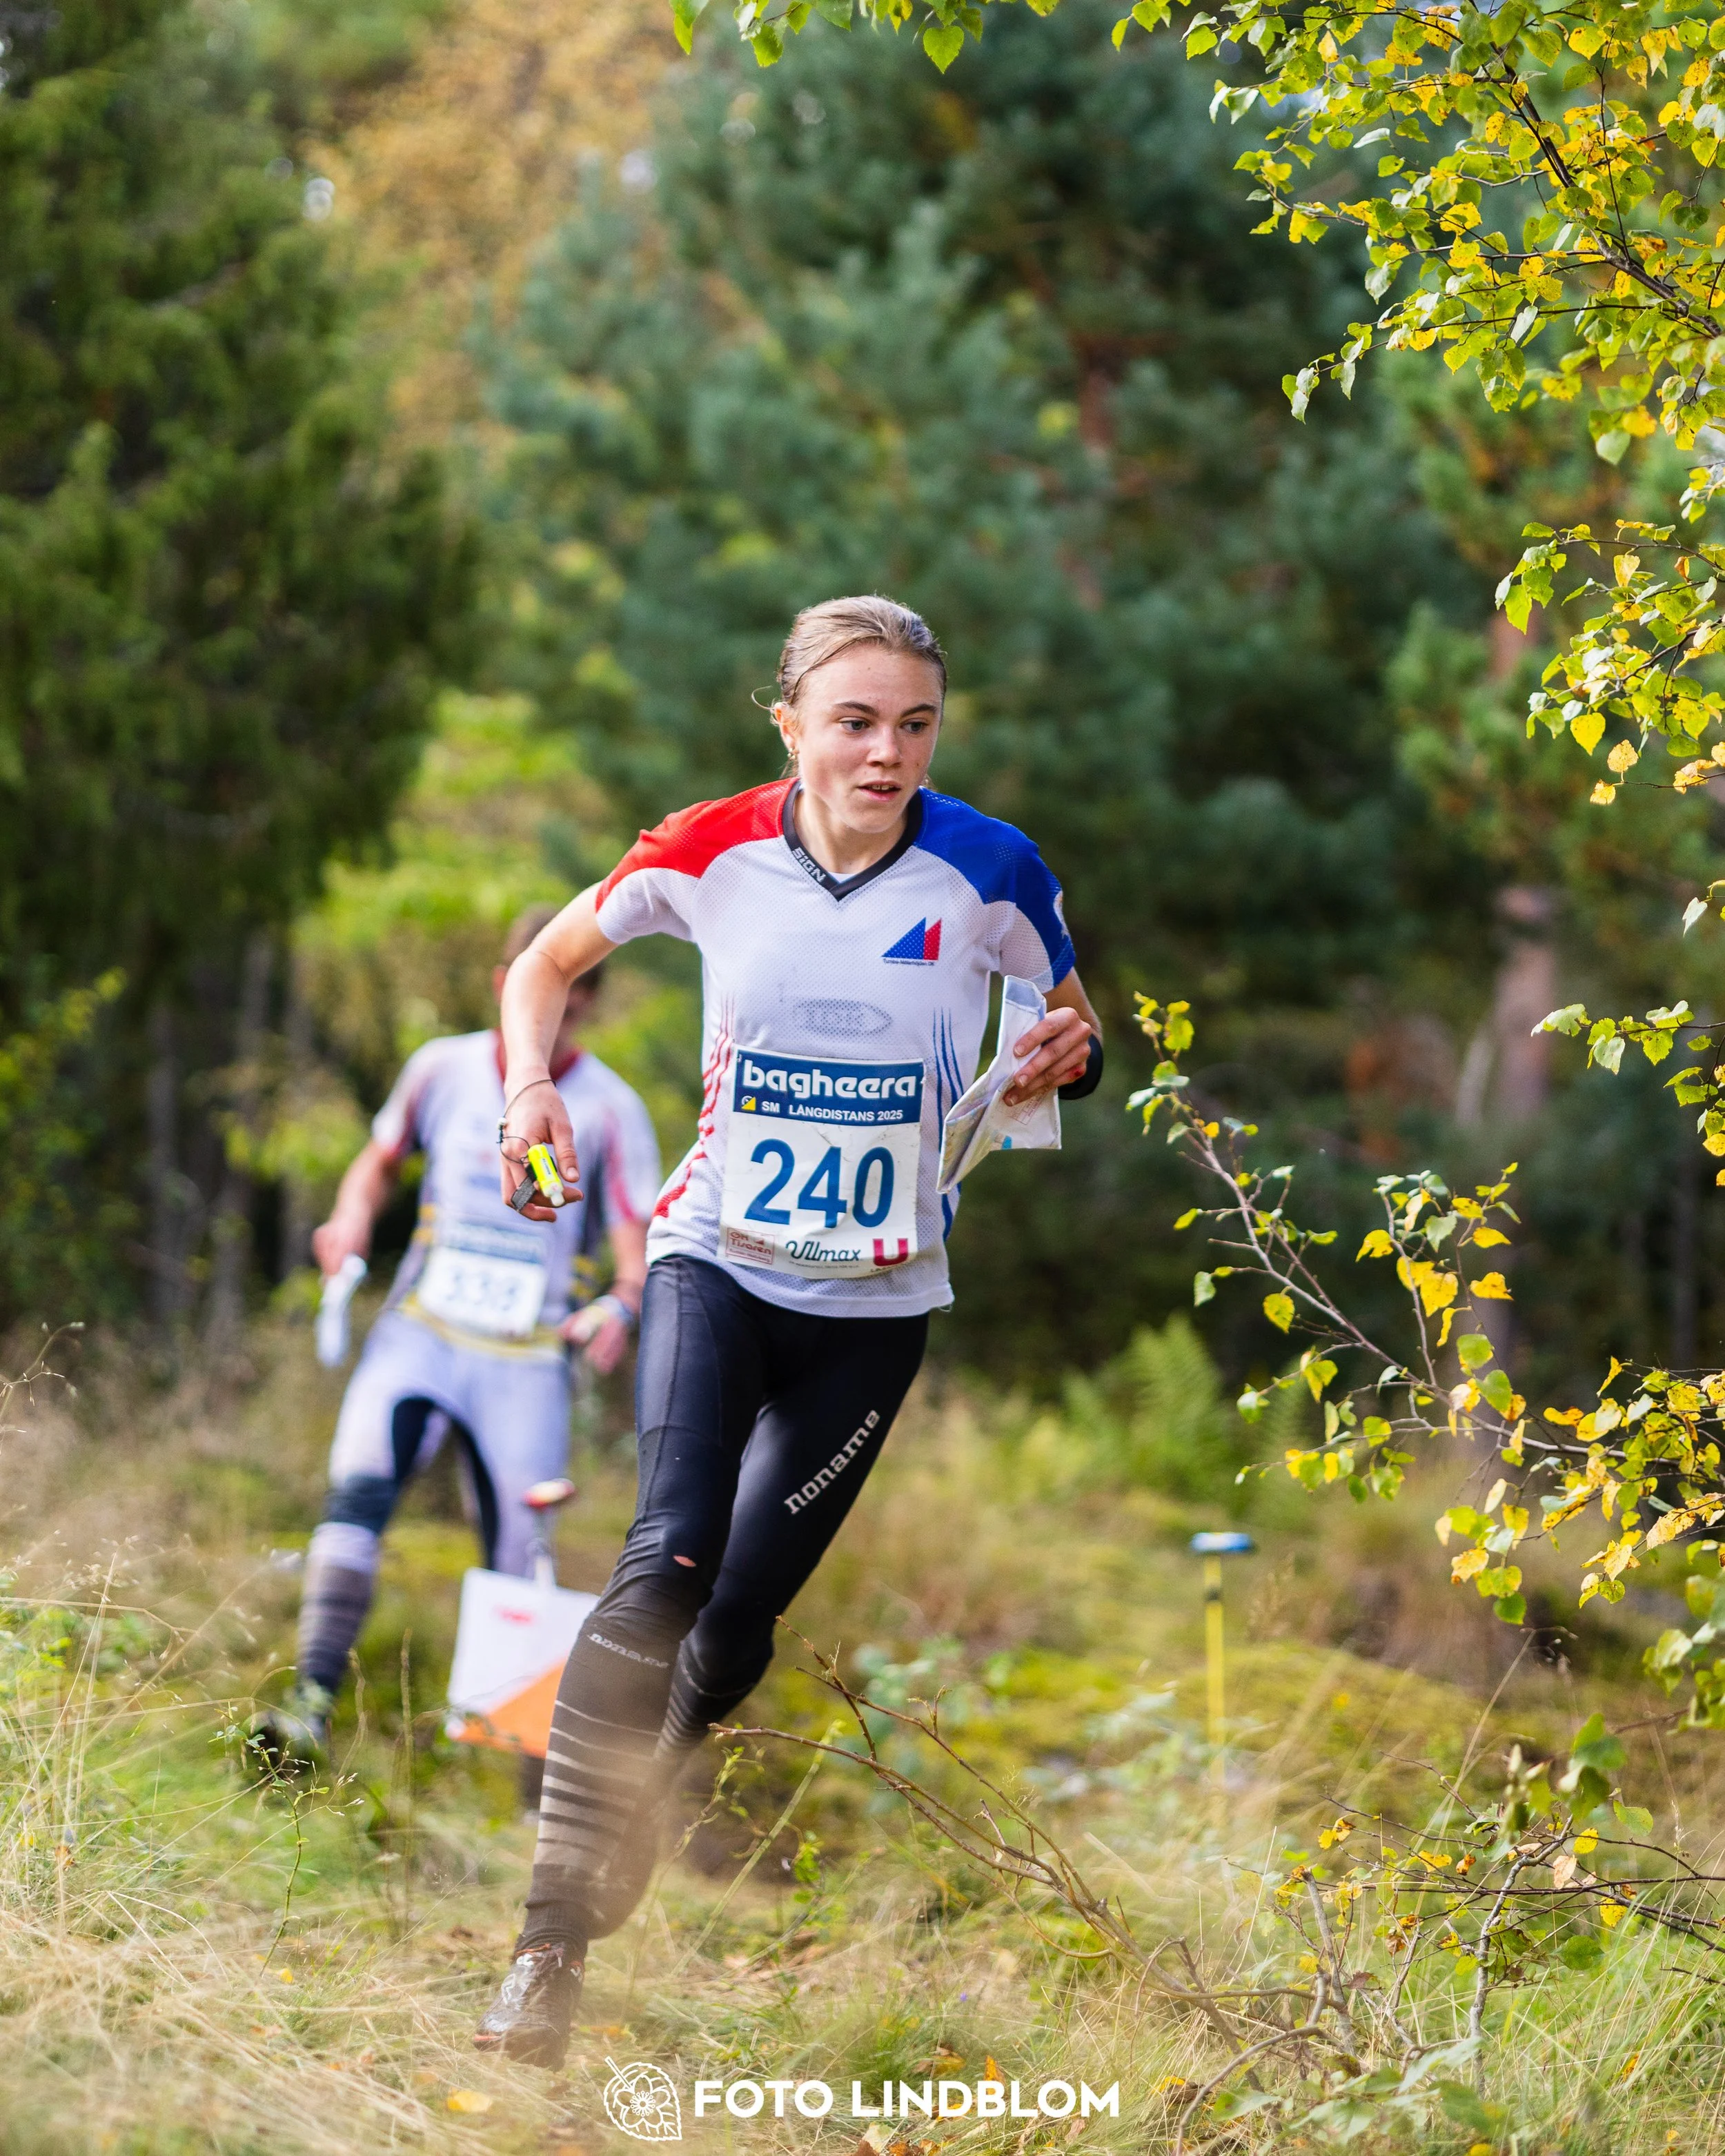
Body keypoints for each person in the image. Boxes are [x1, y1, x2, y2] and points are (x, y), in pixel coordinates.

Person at [471, 597, 1103, 2065]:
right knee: (664, 1565)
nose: (887, 753)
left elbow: (1067, 1031)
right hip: (715, 1262)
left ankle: (643, 1785)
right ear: (791, 725)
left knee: (737, 1620)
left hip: (876, 1309)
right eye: (855, 721)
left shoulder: (993, 869)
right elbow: (540, 967)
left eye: (915, 725)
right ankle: (546, 1946)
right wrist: (528, 1089)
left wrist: (1059, 1054)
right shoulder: (711, 847)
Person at [253, 905, 662, 1776]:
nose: (554, 1011)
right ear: (505, 983)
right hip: (425, 1333)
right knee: (357, 1492)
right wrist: (348, 1221)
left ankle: (519, 1795)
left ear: (591, 1001)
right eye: (539, 988)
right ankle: (308, 1709)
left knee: (521, 1560)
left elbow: (636, 1260)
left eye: (574, 995)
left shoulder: (611, 1108)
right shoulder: (440, 1069)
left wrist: (618, 1310)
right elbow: (377, 1163)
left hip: (525, 1359)